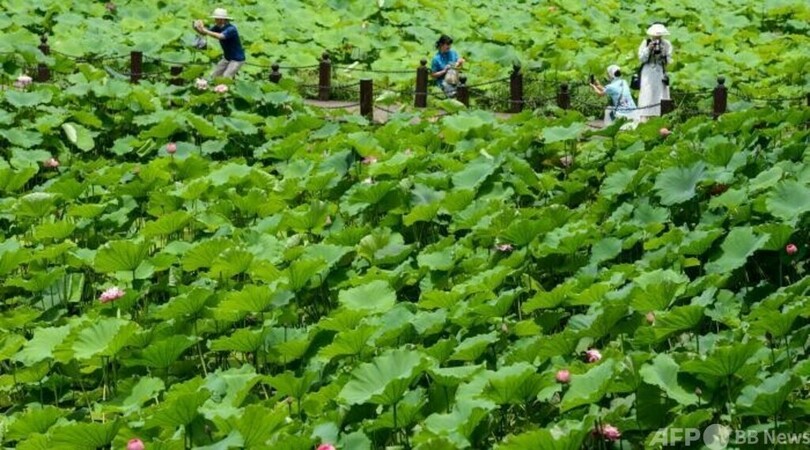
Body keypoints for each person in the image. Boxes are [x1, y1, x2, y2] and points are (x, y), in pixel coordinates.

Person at [193, 8, 245, 78]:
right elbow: (204, 33)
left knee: (226, 76)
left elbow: (221, 36)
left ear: (222, 19)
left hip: (237, 59)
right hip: (227, 58)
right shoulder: (218, 27)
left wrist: (205, 30)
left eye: (216, 19)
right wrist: (197, 27)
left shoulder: (231, 29)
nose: (215, 20)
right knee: (214, 75)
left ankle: (227, 87)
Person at [637, 22, 672, 120]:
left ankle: (659, 116)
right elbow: (642, 58)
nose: (657, 37)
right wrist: (648, 49)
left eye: (659, 35)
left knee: (660, 93)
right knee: (647, 93)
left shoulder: (666, 44)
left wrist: (663, 52)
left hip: (659, 71)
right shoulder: (646, 42)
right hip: (648, 72)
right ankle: (644, 117)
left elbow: (668, 61)